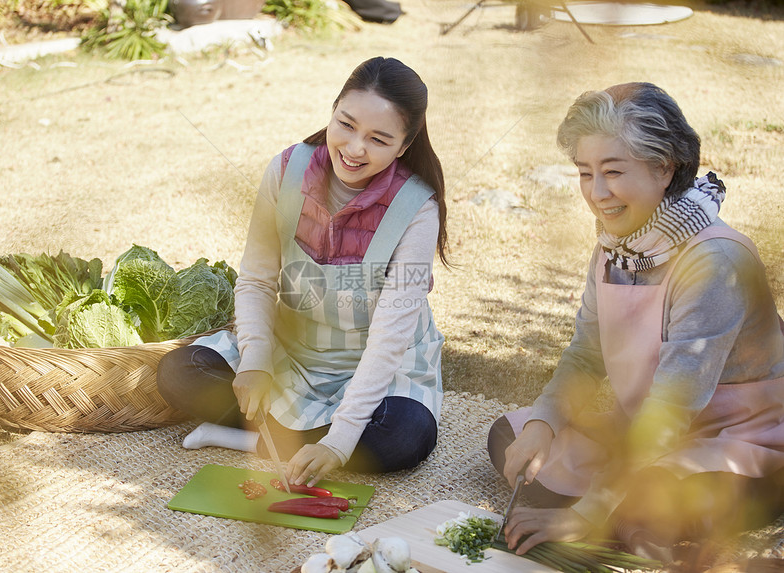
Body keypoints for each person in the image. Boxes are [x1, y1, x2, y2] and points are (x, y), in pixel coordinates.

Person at [488, 82, 784, 563]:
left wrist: (591, 511)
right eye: (585, 173)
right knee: (511, 436)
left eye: (613, 172)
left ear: (664, 168)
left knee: (648, 507)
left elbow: (673, 403)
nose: (597, 193)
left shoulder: (716, 260)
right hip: (643, 430)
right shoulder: (616, 242)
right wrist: (543, 424)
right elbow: (586, 354)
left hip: (742, 441)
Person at [157, 56, 448, 487]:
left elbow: (391, 336)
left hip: (378, 367)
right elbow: (256, 278)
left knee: (405, 436)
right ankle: (304, 440)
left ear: (404, 146)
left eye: (378, 139)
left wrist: (341, 440)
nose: (354, 149)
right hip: (289, 354)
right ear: (332, 110)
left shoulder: (418, 209)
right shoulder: (285, 170)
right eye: (346, 124)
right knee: (179, 373)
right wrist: (256, 362)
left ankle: (263, 441)